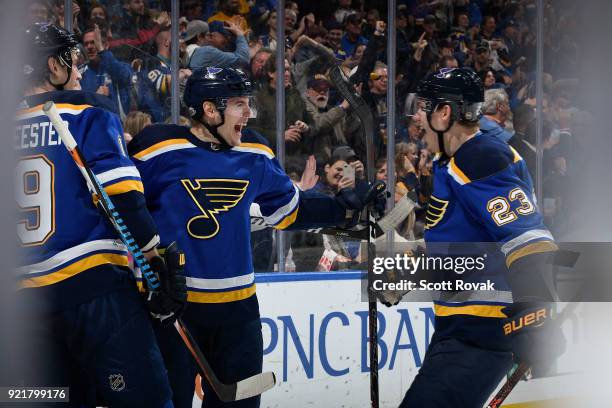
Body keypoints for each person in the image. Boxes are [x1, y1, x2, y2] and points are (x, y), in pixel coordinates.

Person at [128, 67, 386, 408]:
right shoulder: (156, 148)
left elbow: (290, 211)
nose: (249, 113)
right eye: (239, 104)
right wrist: (143, 272)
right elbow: (123, 211)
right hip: (174, 307)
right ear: (210, 109)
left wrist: (343, 208)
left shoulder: (255, 152)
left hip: (239, 312)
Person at [16, 23, 186, 407]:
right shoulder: (88, 111)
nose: (78, 72)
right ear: (52, 66)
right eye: (72, 62)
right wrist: (154, 256)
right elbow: (122, 195)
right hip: (94, 294)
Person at [394, 67, 564, 407]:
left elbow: (529, 238)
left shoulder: (479, 157)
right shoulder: (450, 162)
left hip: (482, 331)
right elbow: (463, 249)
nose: (416, 117)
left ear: (444, 113)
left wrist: (535, 311)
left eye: (423, 106)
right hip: (458, 328)